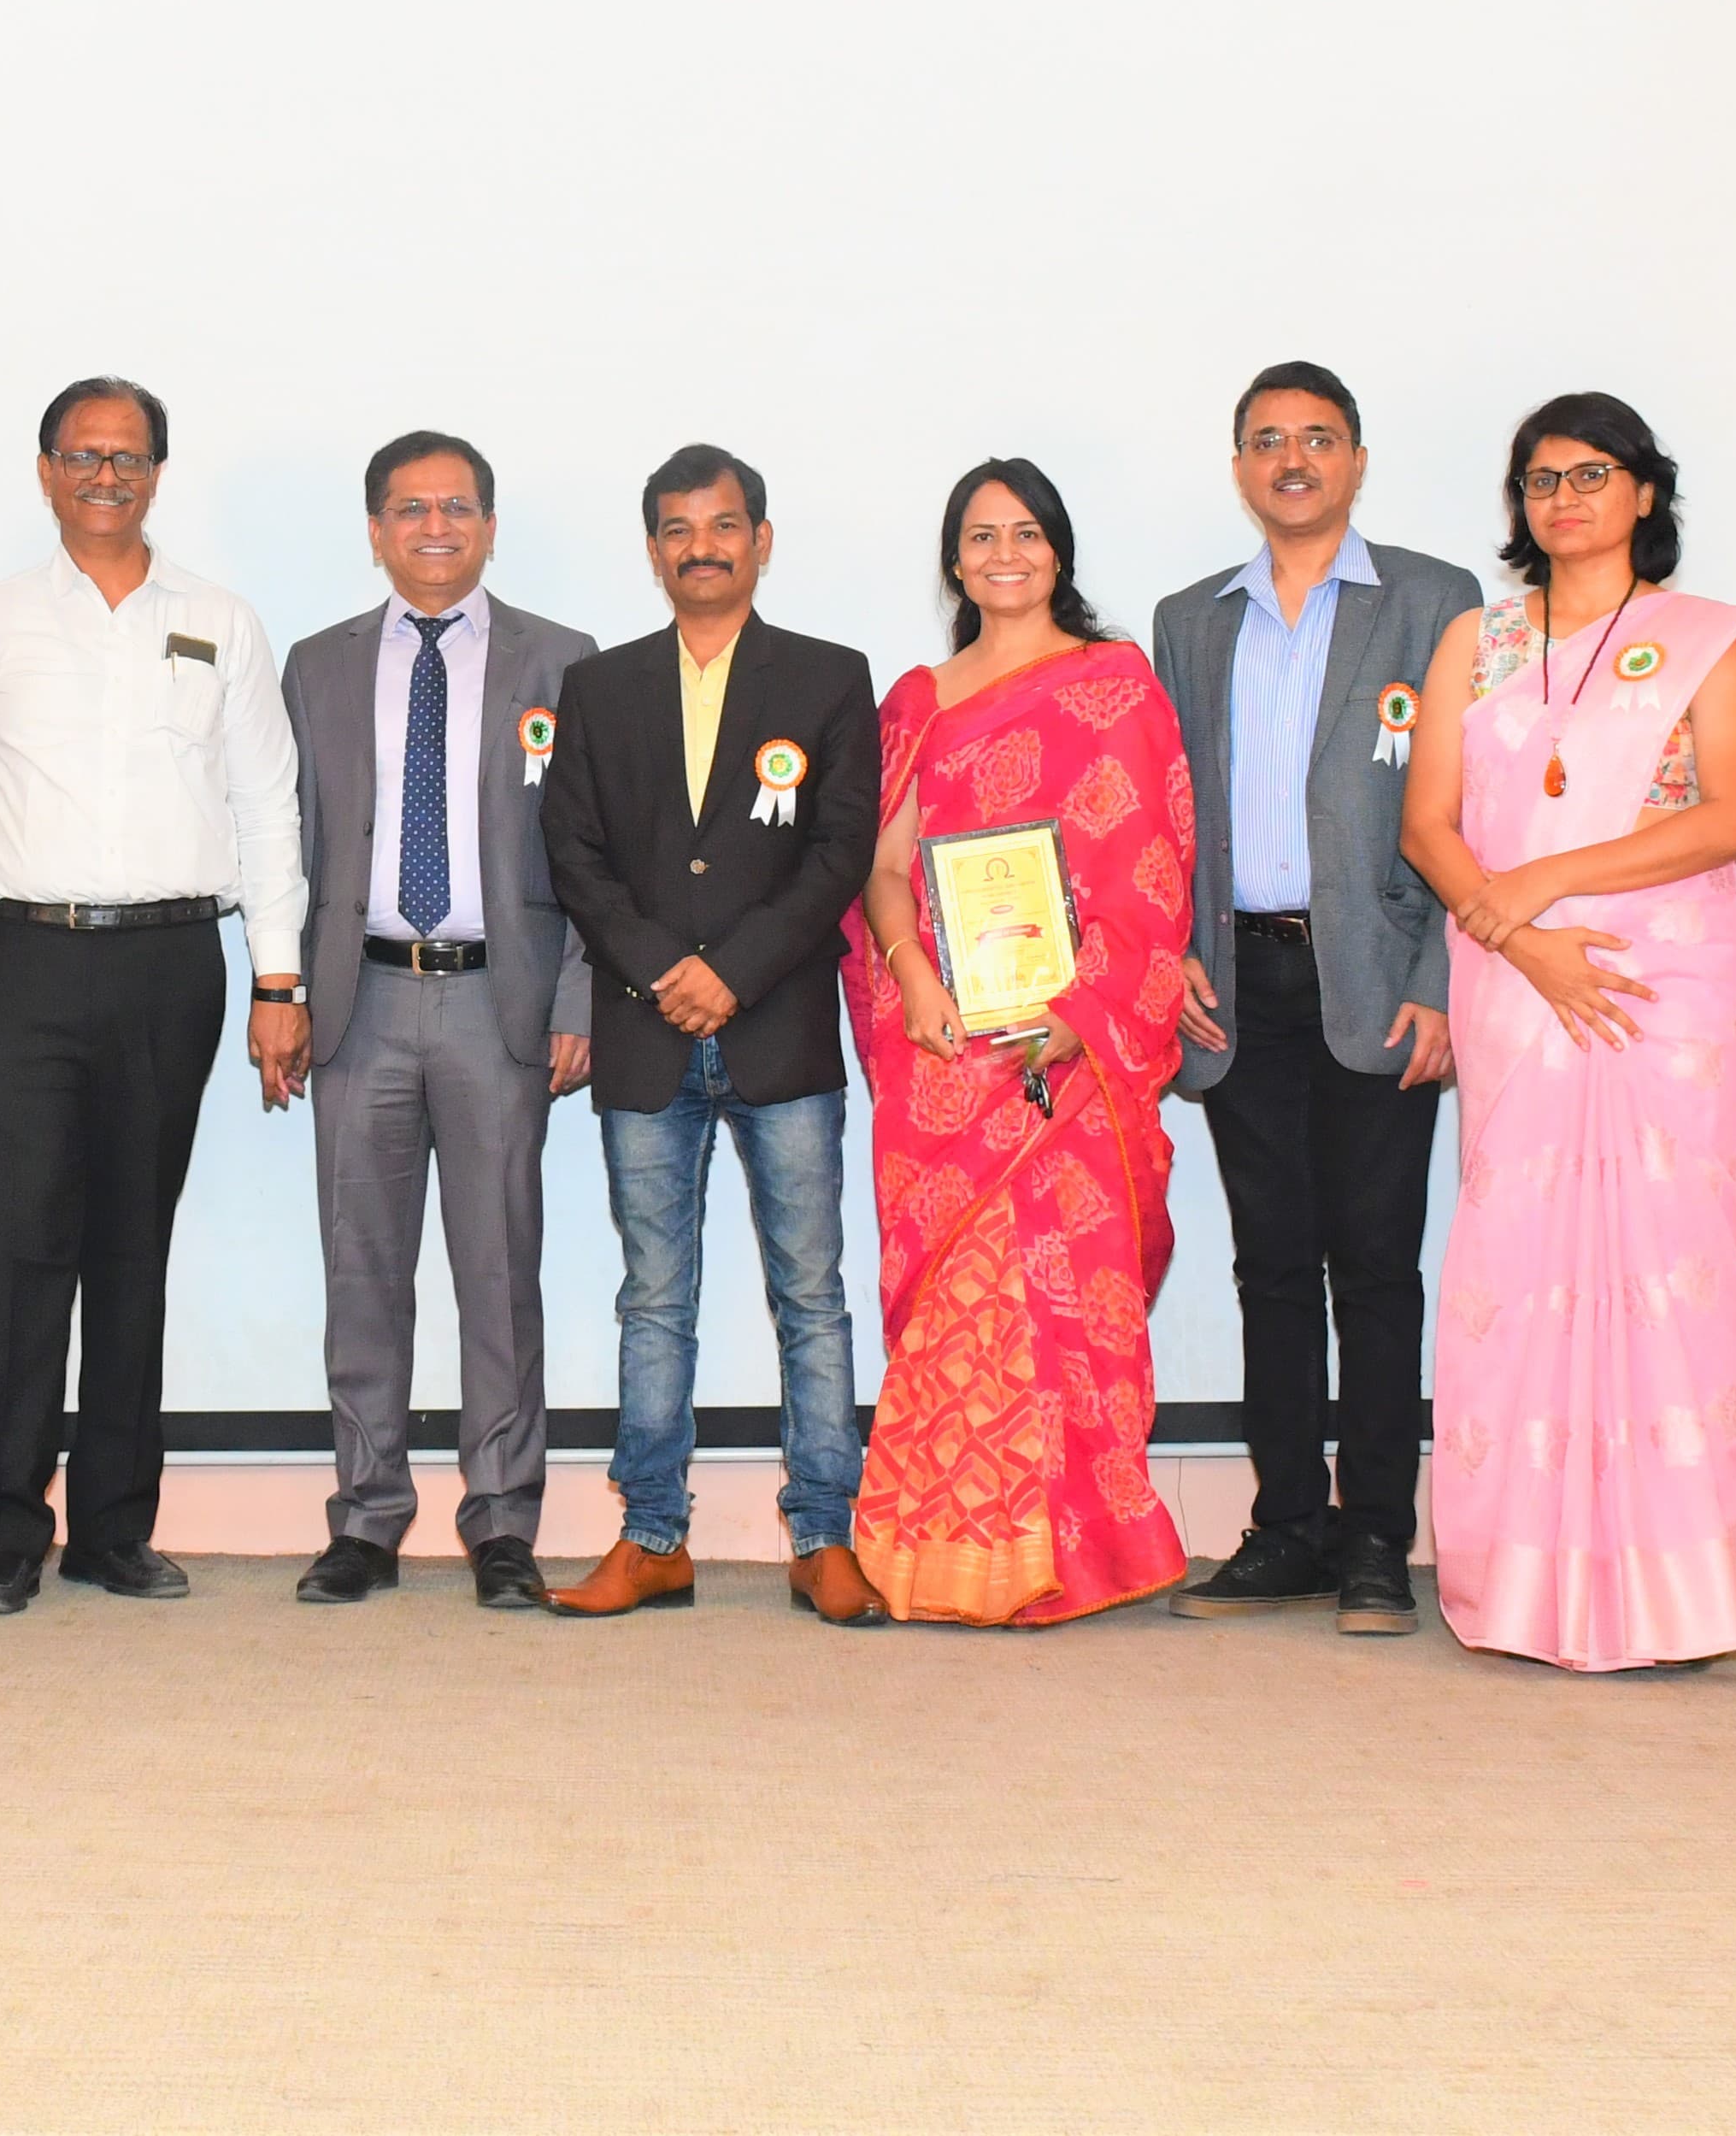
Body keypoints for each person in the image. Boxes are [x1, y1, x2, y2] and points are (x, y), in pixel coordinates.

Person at [1398, 393, 1736, 1672]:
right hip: (1513, 989)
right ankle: (1518, 1583)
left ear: (1644, 492)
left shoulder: (1709, 641)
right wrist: (1521, 932)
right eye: (1541, 480)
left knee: (1666, 1272)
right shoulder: (1476, 640)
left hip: (1663, 997)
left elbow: (1733, 818)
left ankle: (1671, 1591)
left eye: (1591, 474)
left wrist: (1545, 879)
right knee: (1518, 1270)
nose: (1565, 498)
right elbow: (1427, 826)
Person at [0, 377, 306, 1615]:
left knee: (130, 1254)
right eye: (84, 455)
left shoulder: (220, 620)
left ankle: (112, 1528)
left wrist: (277, 975)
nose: (107, 475)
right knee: (11, 1255)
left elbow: (266, 806)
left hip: (168, 965)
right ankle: (0, 1534)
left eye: (129, 457)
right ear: (46, 469)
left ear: (157, 473)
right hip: (23, 963)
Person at [1149, 365, 1481, 1636]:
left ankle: (1378, 1539)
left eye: (1318, 439)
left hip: (1378, 980)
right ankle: (1287, 1526)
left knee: (1377, 1267)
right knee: (1272, 1267)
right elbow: (1169, 814)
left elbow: (1474, 807)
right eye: (1267, 440)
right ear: (1239, 466)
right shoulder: (1191, 621)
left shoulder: (1434, 601)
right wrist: (1170, 951)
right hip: (1238, 982)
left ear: (1356, 460)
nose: (1292, 459)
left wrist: (1442, 981)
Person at [843, 459, 1198, 1626]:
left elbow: (1150, 870)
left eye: (1028, 533)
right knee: (958, 1305)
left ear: (1059, 551)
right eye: (982, 536)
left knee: (1061, 1296)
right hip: (945, 1050)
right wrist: (912, 977)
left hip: (1067, 1053)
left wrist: (1079, 1015)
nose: (1006, 554)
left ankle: (1078, 1554)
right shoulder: (917, 700)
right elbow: (883, 869)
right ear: (954, 561)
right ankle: (943, 1556)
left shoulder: (1115, 685)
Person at [541, 444, 883, 1625]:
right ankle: (652, 1538)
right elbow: (574, 853)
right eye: (679, 529)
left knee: (812, 1293)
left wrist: (731, 974)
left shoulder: (829, 677)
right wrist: (660, 972)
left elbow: (840, 850)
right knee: (653, 1296)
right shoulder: (599, 687)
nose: (703, 547)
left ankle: (825, 1536)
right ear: (653, 551)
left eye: (724, 525)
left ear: (761, 540)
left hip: (778, 1030)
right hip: (644, 1035)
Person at [274, 432, 595, 1610]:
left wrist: (576, 998)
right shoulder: (316, 665)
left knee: (499, 1273)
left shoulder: (561, 660)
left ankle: (502, 1521)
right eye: (409, 509)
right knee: (361, 1271)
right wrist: (281, 993)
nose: (435, 527)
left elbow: (592, 850)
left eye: (457, 506)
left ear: (490, 527)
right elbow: (288, 842)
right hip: (356, 1002)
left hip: (497, 1002)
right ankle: (365, 1518)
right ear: (375, 532)